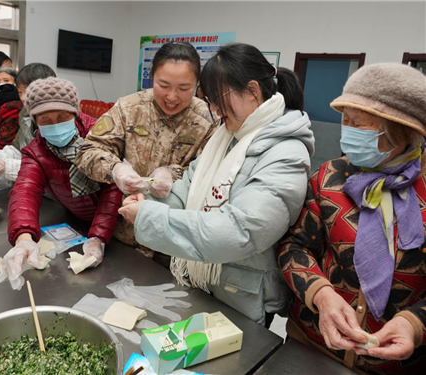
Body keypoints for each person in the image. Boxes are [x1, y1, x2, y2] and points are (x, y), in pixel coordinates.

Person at [118, 43, 315, 327]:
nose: (213, 109)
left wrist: (149, 217)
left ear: (252, 91)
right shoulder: (227, 136)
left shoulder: (286, 153)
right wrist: (147, 203)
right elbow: (187, 188)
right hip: (201, 281)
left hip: (243, 296)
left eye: (217, 99)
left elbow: (240, 231)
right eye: (209, 100)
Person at [278, 63, 426, 374]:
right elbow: (295, 245)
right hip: (309, 346)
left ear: (403, 131)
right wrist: (321, 295)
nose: (347, 131)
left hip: (395, 366)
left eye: (360, 125)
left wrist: (414, 322)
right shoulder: (330, 177)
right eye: (345, 120)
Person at [75, 41, 218, 267]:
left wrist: (173, 175)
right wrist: (115, 169)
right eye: (164, 85)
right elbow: (87, 151)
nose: (172, 96)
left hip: (172, 245)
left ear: (197, 85)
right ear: (152, 78)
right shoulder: (129, 107)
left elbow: (210, 173)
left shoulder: (209, 120)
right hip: (122, 234)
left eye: (183, 88)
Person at [7, 77, 122, 276]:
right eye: (46, 120)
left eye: (62, 117)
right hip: (80, 222)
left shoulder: (99, 135)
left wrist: (98, 239)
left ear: (75, 114)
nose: (56, 125)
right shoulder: (36, 152)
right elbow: (25, 191)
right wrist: (23, 238)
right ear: (36, 122)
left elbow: (112, 187)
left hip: (120, 223)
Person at [0, 63, 56, 181]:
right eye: (20, 92)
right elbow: (16, 149)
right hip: (32, 187)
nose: (23, 97)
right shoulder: (25, 114)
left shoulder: (59, 120)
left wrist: (7, 167)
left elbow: (52, 168)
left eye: (29, 91)